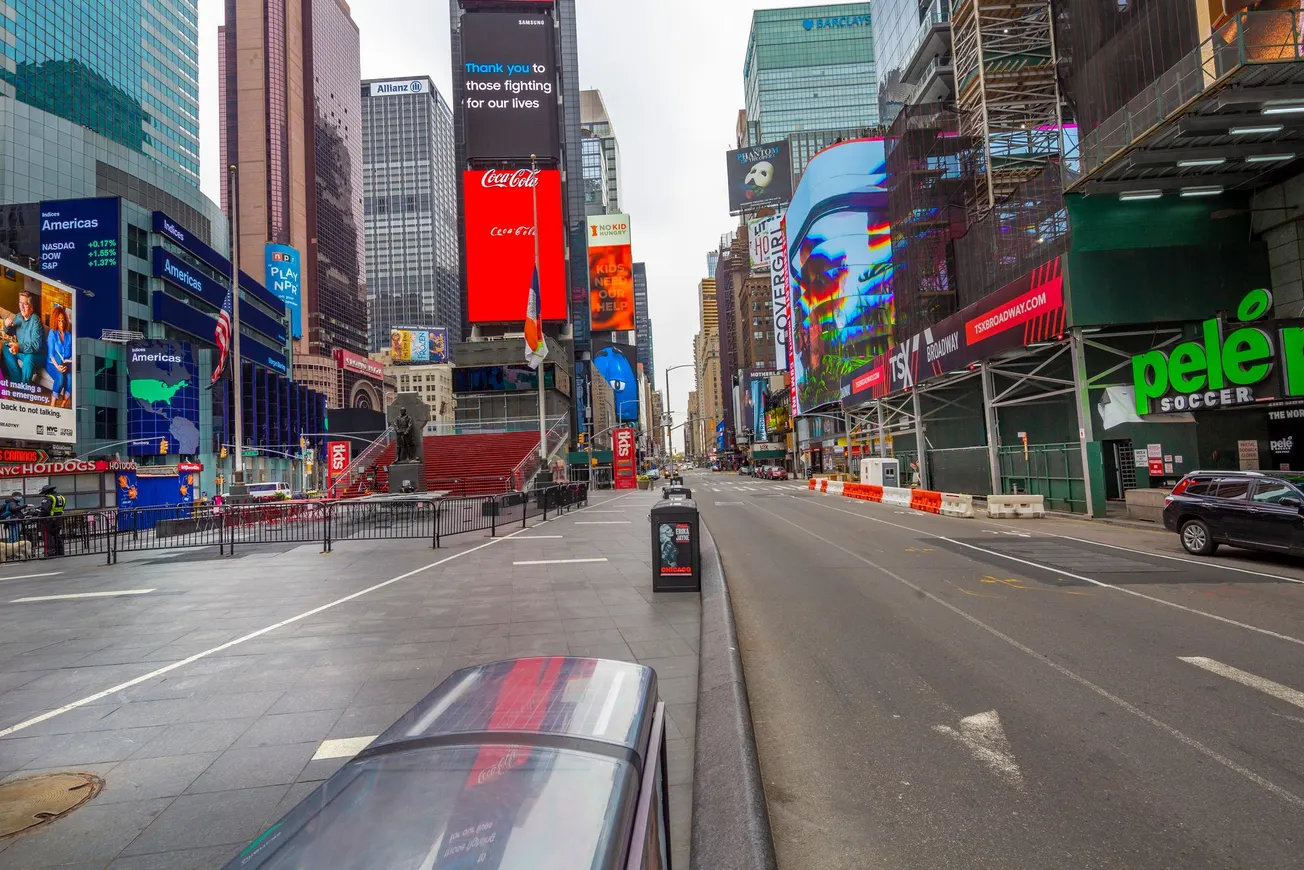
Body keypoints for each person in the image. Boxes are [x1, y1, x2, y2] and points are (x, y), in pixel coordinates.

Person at [3, 290, 44, 385]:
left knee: (29, 357)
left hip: (36, 355)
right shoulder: (18, 316)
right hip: (23, 352)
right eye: (20, 302)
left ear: (32, 307)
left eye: (25, 304)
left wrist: (19, 347)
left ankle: (24, 389)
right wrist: (7, 326)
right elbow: (10, 332)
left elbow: (36, 346)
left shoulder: (36, 320)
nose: (21, 306)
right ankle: (16, 380)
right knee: (6, 346)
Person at [45, 304, 71, 407]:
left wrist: (69, 362)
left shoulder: (69, 336)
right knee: (60, 378)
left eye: (63, 320)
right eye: (59, 320)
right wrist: (57, 367)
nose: (62, 323)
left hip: (65, 365)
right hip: (52, 364)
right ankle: (53, 404)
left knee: (70, 379)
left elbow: (71, 355)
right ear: (55, 320)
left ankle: (63, 403)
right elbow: (51, 354)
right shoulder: (52, 333)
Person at [38, 483, 65, 557]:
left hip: (49, 520)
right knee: (57, 535)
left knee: (47, 536)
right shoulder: (61, 497)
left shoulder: (48, 498)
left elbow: (45, 510)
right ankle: (60, 551)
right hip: (59, 518)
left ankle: (50, 552)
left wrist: (39, 516)